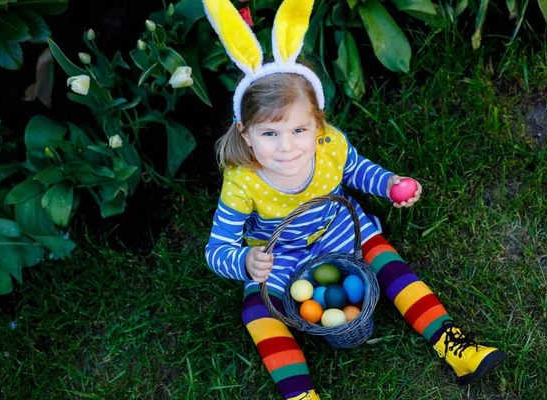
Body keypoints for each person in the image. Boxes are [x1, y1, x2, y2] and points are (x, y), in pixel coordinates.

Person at [202, 0, 506, 399]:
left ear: (318, 123)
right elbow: (216, 248)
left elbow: (357, 171)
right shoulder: (242, 181)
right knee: (256, 312)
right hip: (282, 255)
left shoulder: (330, 144)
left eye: (299, 130)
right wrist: (244, 261)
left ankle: (455, 346)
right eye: (269, 134)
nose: (287, 147)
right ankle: (301, 394)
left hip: (341, 230)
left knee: (390, 264)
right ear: (245, 133)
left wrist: (388, 183)